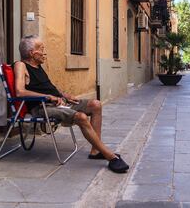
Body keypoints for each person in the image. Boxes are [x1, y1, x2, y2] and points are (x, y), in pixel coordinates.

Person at [14, 35, 130, 173]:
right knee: (81, 117)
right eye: (42, 49)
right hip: (42, 107)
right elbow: (20, 92)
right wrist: (48, 97)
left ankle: (95, 151)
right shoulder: (21, 65)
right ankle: (110, 157)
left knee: (96, 104)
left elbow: (48, 87)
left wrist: (64, 95)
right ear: (32, 53)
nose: (45, 53)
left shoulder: (38, 66)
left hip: (58, 102)